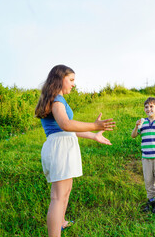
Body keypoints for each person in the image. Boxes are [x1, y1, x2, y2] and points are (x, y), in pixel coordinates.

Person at [35, 65, 115, 237]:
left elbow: (68, 128)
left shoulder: (58, 99)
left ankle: (61, 222)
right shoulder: (57, 99)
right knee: (57, 197)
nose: (73, 84)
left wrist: (94, 135)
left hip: (62, 146)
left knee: (66, 190)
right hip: (60, 148)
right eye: (71, 80)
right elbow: (66, 124)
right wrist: (94, 125)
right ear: (59, 79)